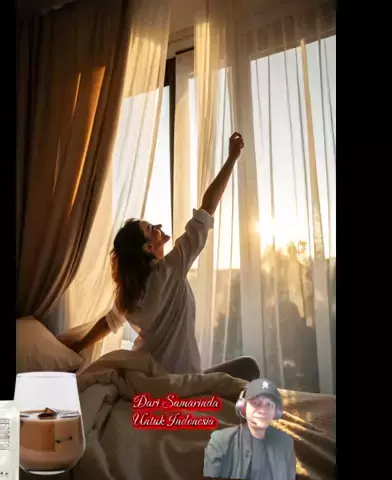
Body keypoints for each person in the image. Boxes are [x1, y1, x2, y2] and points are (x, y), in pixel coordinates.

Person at [63, 132, 259, 380]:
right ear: (148, 248)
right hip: (183, 383)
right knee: (249, 367)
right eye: (150, 228)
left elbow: (109, 322)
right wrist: (231, 159)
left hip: (153, 379)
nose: (158, 226)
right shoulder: (170, 270)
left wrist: (79, 346)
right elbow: (207, 208)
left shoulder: (131, 295)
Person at [204, 378, 296, 479]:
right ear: (243, 407)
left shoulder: (285, 442)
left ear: (276, 412)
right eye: (256, 403)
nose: (263, 410)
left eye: (269, 404)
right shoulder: (220, 441)